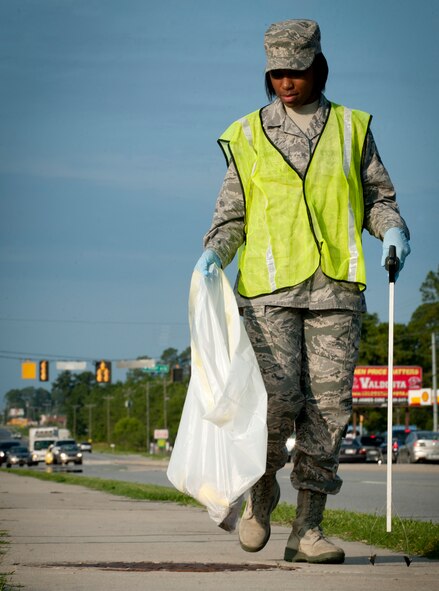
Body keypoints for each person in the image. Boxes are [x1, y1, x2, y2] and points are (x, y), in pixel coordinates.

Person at [195, 19, 410, 564]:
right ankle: (260, 500)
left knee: (330, 410)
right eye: (277, 72)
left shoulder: (350, 127)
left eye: (296, 70)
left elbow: (377, 196)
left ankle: (308, 529)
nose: (287, 81)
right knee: (274, 405)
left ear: (317, 67)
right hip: (268, 292)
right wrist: (214, 255)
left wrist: (391, 228)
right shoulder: (246, 134)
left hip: (336, 288)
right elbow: (231, 218)